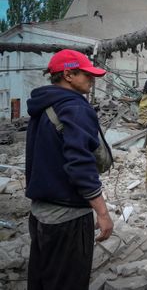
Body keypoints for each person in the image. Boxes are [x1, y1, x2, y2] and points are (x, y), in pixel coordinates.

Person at [25, 49, 114, 290]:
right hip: (69, 218)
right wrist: (103, 213)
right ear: (68, 74)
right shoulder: (75, 107)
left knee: (41, 281)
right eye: (86, 74)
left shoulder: (43, 105)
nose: (92, 79)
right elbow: (80, 165)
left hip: (41, 214)